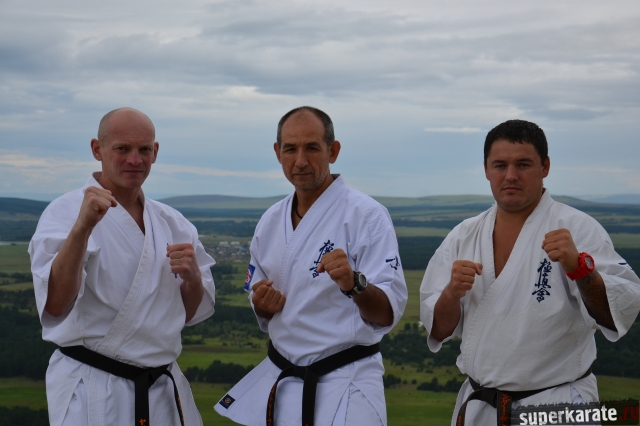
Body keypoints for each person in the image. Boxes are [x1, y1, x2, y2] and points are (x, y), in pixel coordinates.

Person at [420, 119, 640, 426]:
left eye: (523, 164)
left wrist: (580, 269)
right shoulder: (463, 236)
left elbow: (616, 313)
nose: (510, 176)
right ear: (486, 170)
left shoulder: (577, 228)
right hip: (482, 407)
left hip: (557, 406)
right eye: (500, 165)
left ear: (545, 166)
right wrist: (451, 294)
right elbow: (439, 331)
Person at [214, 106, 408, 426]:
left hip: (348, 382)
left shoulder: (367, 215)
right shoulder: (270, 221)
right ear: (277, 152)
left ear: (333, 151)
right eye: (290, 149)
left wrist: (354, 284)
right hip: (284, 381)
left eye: (312, 148)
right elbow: (260, 306)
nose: (300, 161)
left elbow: (386, 313)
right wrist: (261, 305)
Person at [29, 107, 216, 426]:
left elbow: (187, 314)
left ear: (155, 152)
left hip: (163, 390)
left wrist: (193, 279)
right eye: (122, 149)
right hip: (95, 389)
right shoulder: (65, 213)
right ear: (97, 149)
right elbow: (56, 304)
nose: (135, 159)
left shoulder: (173, 223)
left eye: (144, 149)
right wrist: (82, 229)